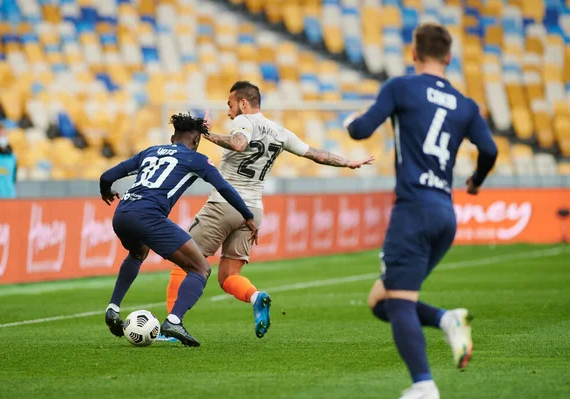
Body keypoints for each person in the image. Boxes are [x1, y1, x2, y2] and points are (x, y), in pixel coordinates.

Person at [345, 23, 498, 399]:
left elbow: (362, 130)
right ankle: (447, 319)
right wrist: (476, 180)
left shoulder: (401, 87)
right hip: (445, 213)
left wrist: (352, 123)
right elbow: (490, 149)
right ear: (449, 57)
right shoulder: (466, 104)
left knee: (398, 301)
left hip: (412, 210)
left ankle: (424, 386)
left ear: (413, 54)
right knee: (381, 302)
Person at [163, 81, 374, 341]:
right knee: (228, 276)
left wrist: (206, 134)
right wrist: (348, 162)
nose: (229, 112)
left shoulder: (245, 122)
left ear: (243, 102)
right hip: (252, 211)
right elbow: (315, 154)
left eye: (230, 105)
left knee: (183, 262)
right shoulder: (280, 131)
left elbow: (239, 144)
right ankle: (255, 297)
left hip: (224, 203)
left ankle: (171, 328)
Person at [100, 113, 258, 347]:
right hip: (148, 216)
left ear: (173, 137)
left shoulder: (150, 151)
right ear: (196, 141)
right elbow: (223, 187)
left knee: (137, 253)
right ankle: (174, 320)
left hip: (122, 214)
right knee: (200, 268)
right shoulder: (196, 159)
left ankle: (113, 308)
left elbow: (107, 176)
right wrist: (247, 215)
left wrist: (106, 191)